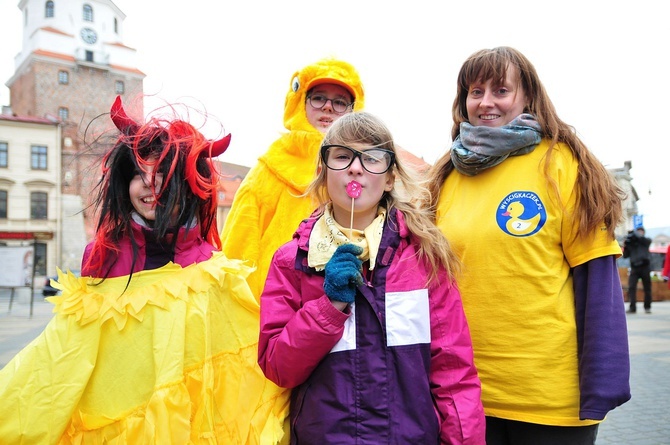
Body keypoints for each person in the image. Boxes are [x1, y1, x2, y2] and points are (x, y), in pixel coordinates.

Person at [0, 96, 287, 444]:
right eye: (138, 174)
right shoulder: (103, 256)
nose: (150, 185)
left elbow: (237, 361)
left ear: (189, 185)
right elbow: (64, 353)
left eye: (163, 174)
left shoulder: (212, 268)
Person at [426, 46, 631, 444]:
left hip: (549, 402)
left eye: (500, 90)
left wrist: (602, 385)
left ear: (527, 97)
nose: (486, 102)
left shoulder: (562, 164)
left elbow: (598, 281)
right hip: (463, 396)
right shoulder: (447, 174)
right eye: (475, 91)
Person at [258, 111, 486, 444]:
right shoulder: (292, 261)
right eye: (342, 156)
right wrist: (329, 307)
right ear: (323, 172)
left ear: (390, 178)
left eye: (371, 158)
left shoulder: (424, 258)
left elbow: (454, 375)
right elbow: (279, 367)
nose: (355, 168)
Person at [220, 57, 364, 302]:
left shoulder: (366, 167)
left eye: (339, 102)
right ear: (300, 102)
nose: (328, 107)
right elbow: (238, 245)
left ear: (354, 110)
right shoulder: (272, 166)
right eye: (318, 98)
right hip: (276, 305)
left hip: (349, 306)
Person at [623, 227, 653, 313]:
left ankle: (647, 307)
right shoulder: (632, 243)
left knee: (647, 287)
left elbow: (645, 240)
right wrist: (626, 245)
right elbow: (625, 255)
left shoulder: (646, 241)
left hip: (645, 267)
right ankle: (633, 307)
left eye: (640, 232)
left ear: (643, 233)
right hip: (634, 268)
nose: (638, 233)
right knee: (631, 287)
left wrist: (637, 234)